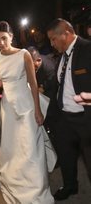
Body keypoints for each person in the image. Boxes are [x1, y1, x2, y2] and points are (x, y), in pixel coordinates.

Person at [0, 21, 54, 203]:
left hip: (26, 105)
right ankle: (16, 180)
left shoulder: (24, 54)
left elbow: (33, 84)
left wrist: (37, 110)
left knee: (30, 148)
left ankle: (36, 187)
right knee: (13, 147)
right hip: (8, 108)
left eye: (4, 38)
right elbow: (0, 81)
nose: (1, 43)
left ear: (11, 36)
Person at [47, 18, 91, 201]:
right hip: (64, 119)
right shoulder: (62, 56)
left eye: (53, 39)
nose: (51, 43)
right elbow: (59, 85)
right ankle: (70, 186)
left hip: (85, 120)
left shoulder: (88, 49)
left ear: (66, 33)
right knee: (66, 158)